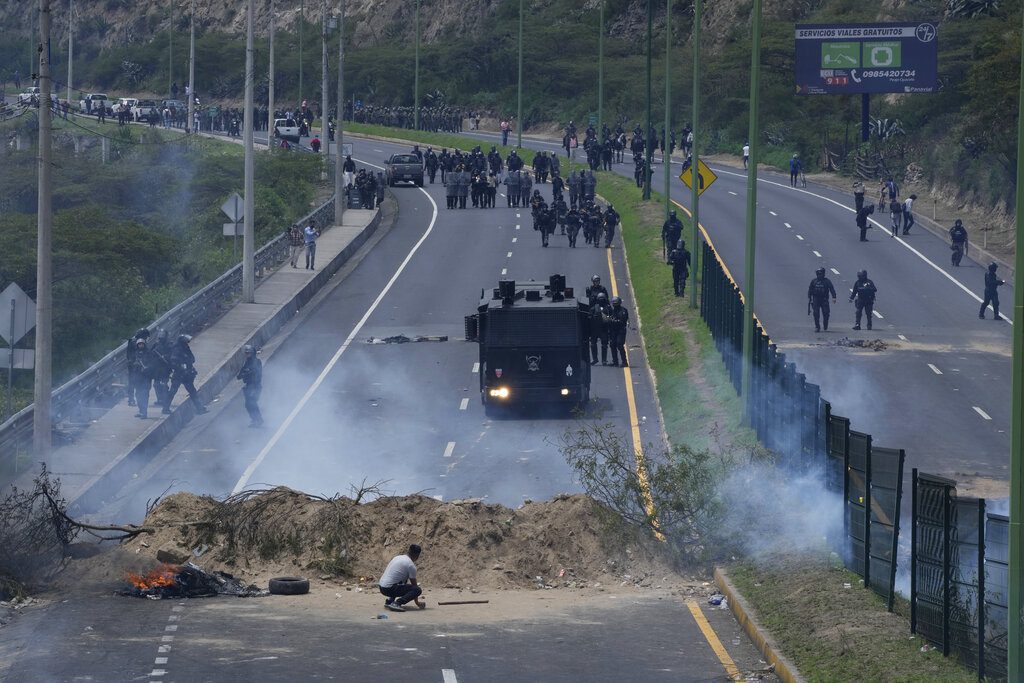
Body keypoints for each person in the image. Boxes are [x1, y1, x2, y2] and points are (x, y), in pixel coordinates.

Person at [164, 335, 208, 414]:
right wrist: (181, 366)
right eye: (186, 341)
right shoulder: (176, 349)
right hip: (178, 374)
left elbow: (192, 359)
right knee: (173, 391)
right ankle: (165, 408)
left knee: (192, 391)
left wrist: (187, 364)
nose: (187, 343)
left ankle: (199, 408)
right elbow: (173, 361)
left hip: (187, 375)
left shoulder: (186, 348)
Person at [379, 544, 424, 612]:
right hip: (389, 588)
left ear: (409, 551)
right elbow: (414, 586)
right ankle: (397, 603)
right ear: (417, 556)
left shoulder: (398, 557)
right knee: (417, 590)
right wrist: (417, 603)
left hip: (381, 587)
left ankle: (390, 601)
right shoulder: (410, 565)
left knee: (402, 580)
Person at [236, 344, 263, 427]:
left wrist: (249, 373)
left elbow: (258, 375)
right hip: (248, 386)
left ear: (253, 353)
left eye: (249, 353)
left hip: (255, 386)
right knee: (248, 405)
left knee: (252, 403)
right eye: (246, 353)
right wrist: (244, 373)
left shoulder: (257, 362)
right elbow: (239, 375)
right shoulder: (247, 362)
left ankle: (258, 420)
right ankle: (255, 419)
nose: (247, 355)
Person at [125, 328, 150, 407]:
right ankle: (131, 399)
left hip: (137, 366)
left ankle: (132, 399)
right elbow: (133, 354)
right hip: (134, 366)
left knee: (133, 383)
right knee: (132, 383)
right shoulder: (135, 342)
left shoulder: (134, 341)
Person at [807, 267, 837, 333]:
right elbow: (810, 290)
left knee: (826, 313)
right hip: (816, 300)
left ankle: (825, 324)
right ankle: (817, 326)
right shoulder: (814, 281)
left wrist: (834, 297)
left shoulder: (827, 281)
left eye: (821, 274)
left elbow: (831, 289)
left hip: (824, 299)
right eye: (818, 274)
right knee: (816, 314)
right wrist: (810, 298)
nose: (819, 275)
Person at [129, 338, 153, 418]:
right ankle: (140, 411)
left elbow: (152, 364)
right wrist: (134, 365)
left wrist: (147, 368)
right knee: (138, 395)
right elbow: (131, 364)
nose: (141, 345)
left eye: (142, 344)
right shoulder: (135, 354)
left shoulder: (149, 353)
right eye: (139, 344)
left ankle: (144, 412)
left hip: (146, 378)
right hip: (138, 378)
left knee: (144, 395)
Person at [606, 296, 630, 367]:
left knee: (619, 344)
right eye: (613, 304)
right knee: (612, 345)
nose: (614, 305)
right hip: (613, 330)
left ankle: (624, 362)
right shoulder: (612, 311)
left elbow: (622, 321)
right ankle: (615, 362)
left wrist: (614, 321)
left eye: (615, 303)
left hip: (620, 330)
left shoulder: (623, 311)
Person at [589, 292, 611, 365]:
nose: (601, 300)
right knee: (592, 344)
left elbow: (612, 317)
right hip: (595, 329)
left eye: (603, 299)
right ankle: (595, 359)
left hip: (604, 329)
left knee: (604, 344)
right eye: (600, 299)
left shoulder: (608, 308)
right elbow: (589, 317)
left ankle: (604, 360)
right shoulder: (594, 308)